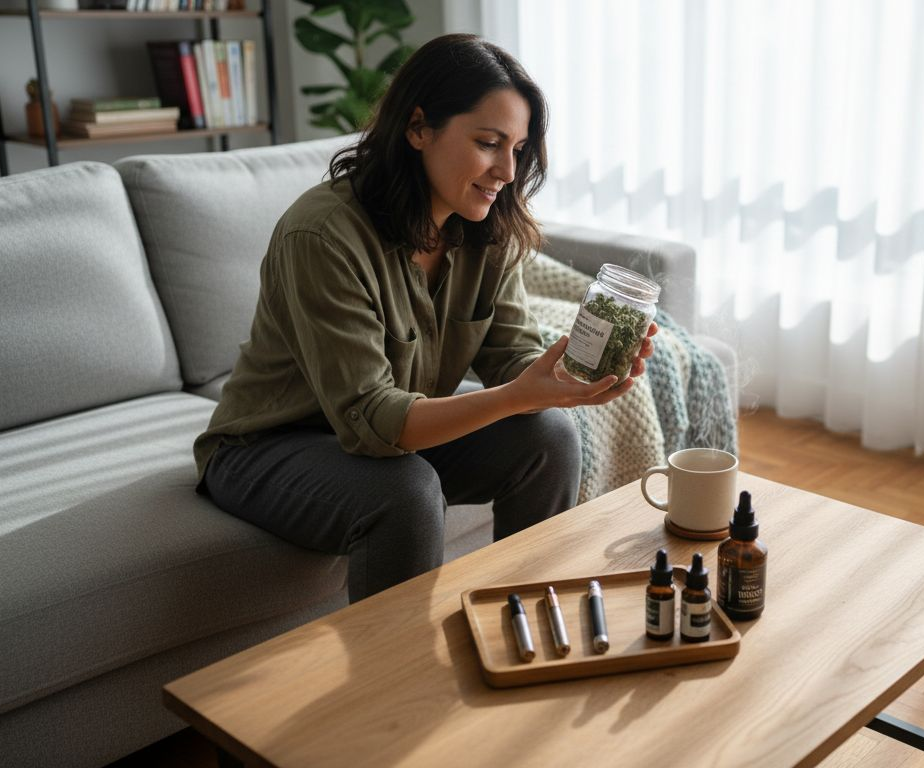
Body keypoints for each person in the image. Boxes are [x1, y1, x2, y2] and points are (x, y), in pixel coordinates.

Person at [194, 34, 655, 603]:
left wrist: (567, 376)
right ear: (418, 129)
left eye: (517, 149)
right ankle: (399, 684)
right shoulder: (322, 235)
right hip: (266, 448)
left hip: (389, 436)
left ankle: (526, 622)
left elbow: (511, 357)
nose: (508, 171)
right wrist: (514, 395)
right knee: (405, 492)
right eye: (489, 143)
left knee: (549, 435)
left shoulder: (486, 228)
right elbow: (371, 418)